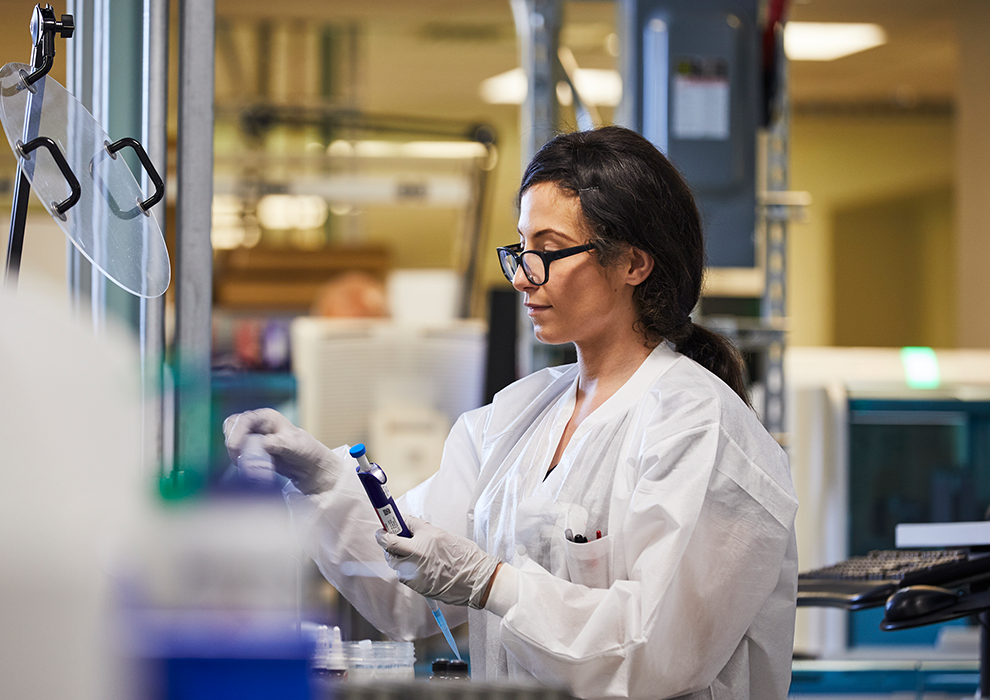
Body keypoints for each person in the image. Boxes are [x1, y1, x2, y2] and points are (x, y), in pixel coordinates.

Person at [224, 125, 798, 700]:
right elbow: (413, 595)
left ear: (633, 263)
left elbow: (654, 654)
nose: (523, 276)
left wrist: (491, 583)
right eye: (521, 250)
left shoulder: (699, 426)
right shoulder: (518, 417)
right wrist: (322, 480)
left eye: (548, 252)